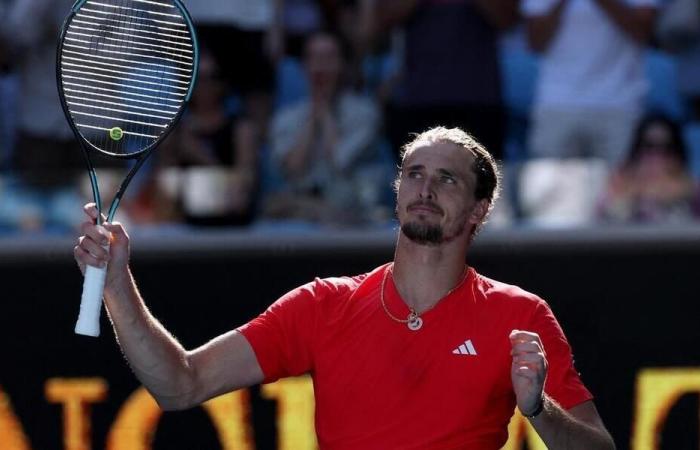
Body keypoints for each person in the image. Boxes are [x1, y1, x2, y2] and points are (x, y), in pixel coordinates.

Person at [74, 127, 615, 449]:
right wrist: (118, 287)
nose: (425, 188)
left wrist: (539, 408)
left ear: (479, 211)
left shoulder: (520, 315)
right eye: (414, 173)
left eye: (447, 179)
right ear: (398, 189)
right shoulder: (322, 305)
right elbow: (180, 385)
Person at [263, 31, 387, 226]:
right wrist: (314, 117)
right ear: (304, 66)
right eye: (314, 58)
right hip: (300, 206)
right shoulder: (285, 118)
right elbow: (292, 169)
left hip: (351, 206)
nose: (321, 65)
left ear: (343, 65)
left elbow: (339, 160)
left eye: (329, 57)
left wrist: (325, 114)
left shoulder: (365, 113)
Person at [522, 0, 658, 166]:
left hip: (620, 104)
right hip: (557, 103)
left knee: (621, 188)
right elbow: (535, 42)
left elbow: (643, 33)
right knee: (550, 188)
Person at [597, 114, 700, 223]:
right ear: (636, 151)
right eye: (649, 146)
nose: (656, 156)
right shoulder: (619, 187)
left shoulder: (693, 192)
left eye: (667, 148)